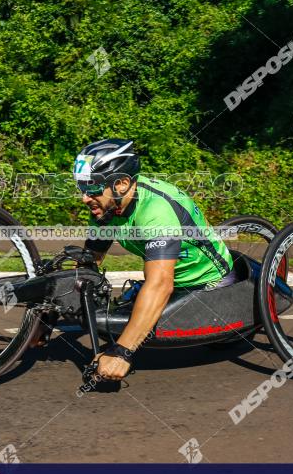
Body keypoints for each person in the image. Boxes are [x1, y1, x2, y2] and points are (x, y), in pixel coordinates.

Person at [73, 139, 236, 382]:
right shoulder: (107, 207)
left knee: (123, 331)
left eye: (93, 188)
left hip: (207, 282)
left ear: (122, 184)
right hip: (171, 279)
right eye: (82, 188)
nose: (85, 198)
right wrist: (45, 319)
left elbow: (160, 284)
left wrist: (121, 352)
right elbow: (89, 263)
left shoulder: (155, 212)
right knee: (101, 318)